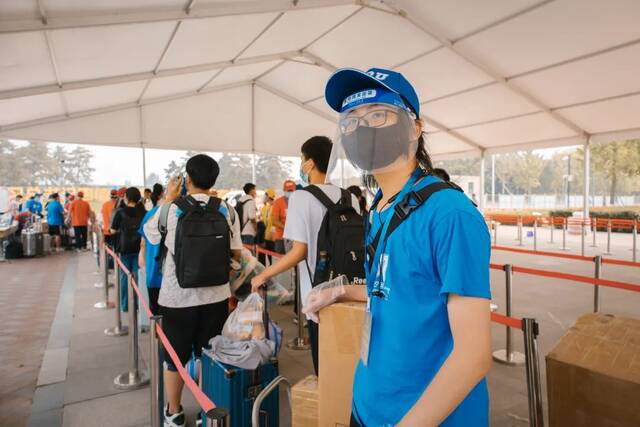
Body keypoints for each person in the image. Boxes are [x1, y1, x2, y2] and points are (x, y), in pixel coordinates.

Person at [300, 67, 492, 426]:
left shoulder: (450, 214)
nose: (363, 128)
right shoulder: (379, 207)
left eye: (378, 115)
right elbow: (392, 291)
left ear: (415, 127)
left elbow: (474, 355)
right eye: (352, 121)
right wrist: (340, 290)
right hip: (369, 405)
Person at [143, 154, 242, 427]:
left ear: (187, 179)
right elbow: (236, 253)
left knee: (174, 357)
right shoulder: (226, 210)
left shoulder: (171, 209)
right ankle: (205, 413)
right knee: (209, 356)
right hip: (217, 297)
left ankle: (173, 412)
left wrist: (168, 198)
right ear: (213, 180)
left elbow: (150, 234)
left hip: (176, 298)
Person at [250, 136, 361, 375]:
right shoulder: (350, 197)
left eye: (302, 159)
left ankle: (331, 410)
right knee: (349, 362)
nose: (301, 165)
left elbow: (299, 252)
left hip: (318, 296)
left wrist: (263, 275)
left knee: (325, 367)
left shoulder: (301, 197)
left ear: (310, 163)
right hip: (349, 289)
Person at [110, 187, 146, 312]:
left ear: (127, 198)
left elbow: (113, 230)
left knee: (125, 277)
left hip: (124, 248)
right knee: (137, 277)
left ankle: (125, 305)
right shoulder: (143, 212)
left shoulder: (120, 212)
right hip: (139, 248)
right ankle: (138, 305)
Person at [138, 185, 164, 315]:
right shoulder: (179, 213)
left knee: (155, 310)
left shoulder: (150, 214)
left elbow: (143, 243)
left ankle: (157, 334)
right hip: (173, 277)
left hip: (153, 269)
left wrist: (141, 257)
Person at [270, 180, 296, 254]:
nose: (290, 192)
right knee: (281, 259)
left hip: (295, 237)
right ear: (284, 190)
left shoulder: (298, 201)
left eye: (292, 190)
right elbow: (275, 221)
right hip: (281, 237)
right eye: (288, 190)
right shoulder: (278, 202)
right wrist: (288, 228)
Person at [258, 188, 276, 265]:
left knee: (272, 258)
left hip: (273, 238)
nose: (264, 197)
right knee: (262, 258)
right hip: (264, 237)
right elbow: (262, 220)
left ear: (269, 196)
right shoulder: (265, 208)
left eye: (265, 195)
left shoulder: (276, 206)